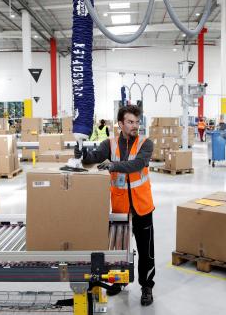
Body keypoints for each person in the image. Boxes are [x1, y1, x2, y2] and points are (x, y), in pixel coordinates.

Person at [75, 105, 155, 306]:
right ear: (120, 124)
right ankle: (119, 283)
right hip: (120, 207)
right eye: (130, 122)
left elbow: (137, 164)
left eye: (137, 122)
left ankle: (147, 286)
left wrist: (113, 165)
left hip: (142, 207)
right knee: (119, 250)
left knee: (146, 251)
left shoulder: (146, 143)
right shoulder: (109, 143)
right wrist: (81, 153)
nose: (135, 126)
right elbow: (94, 157)